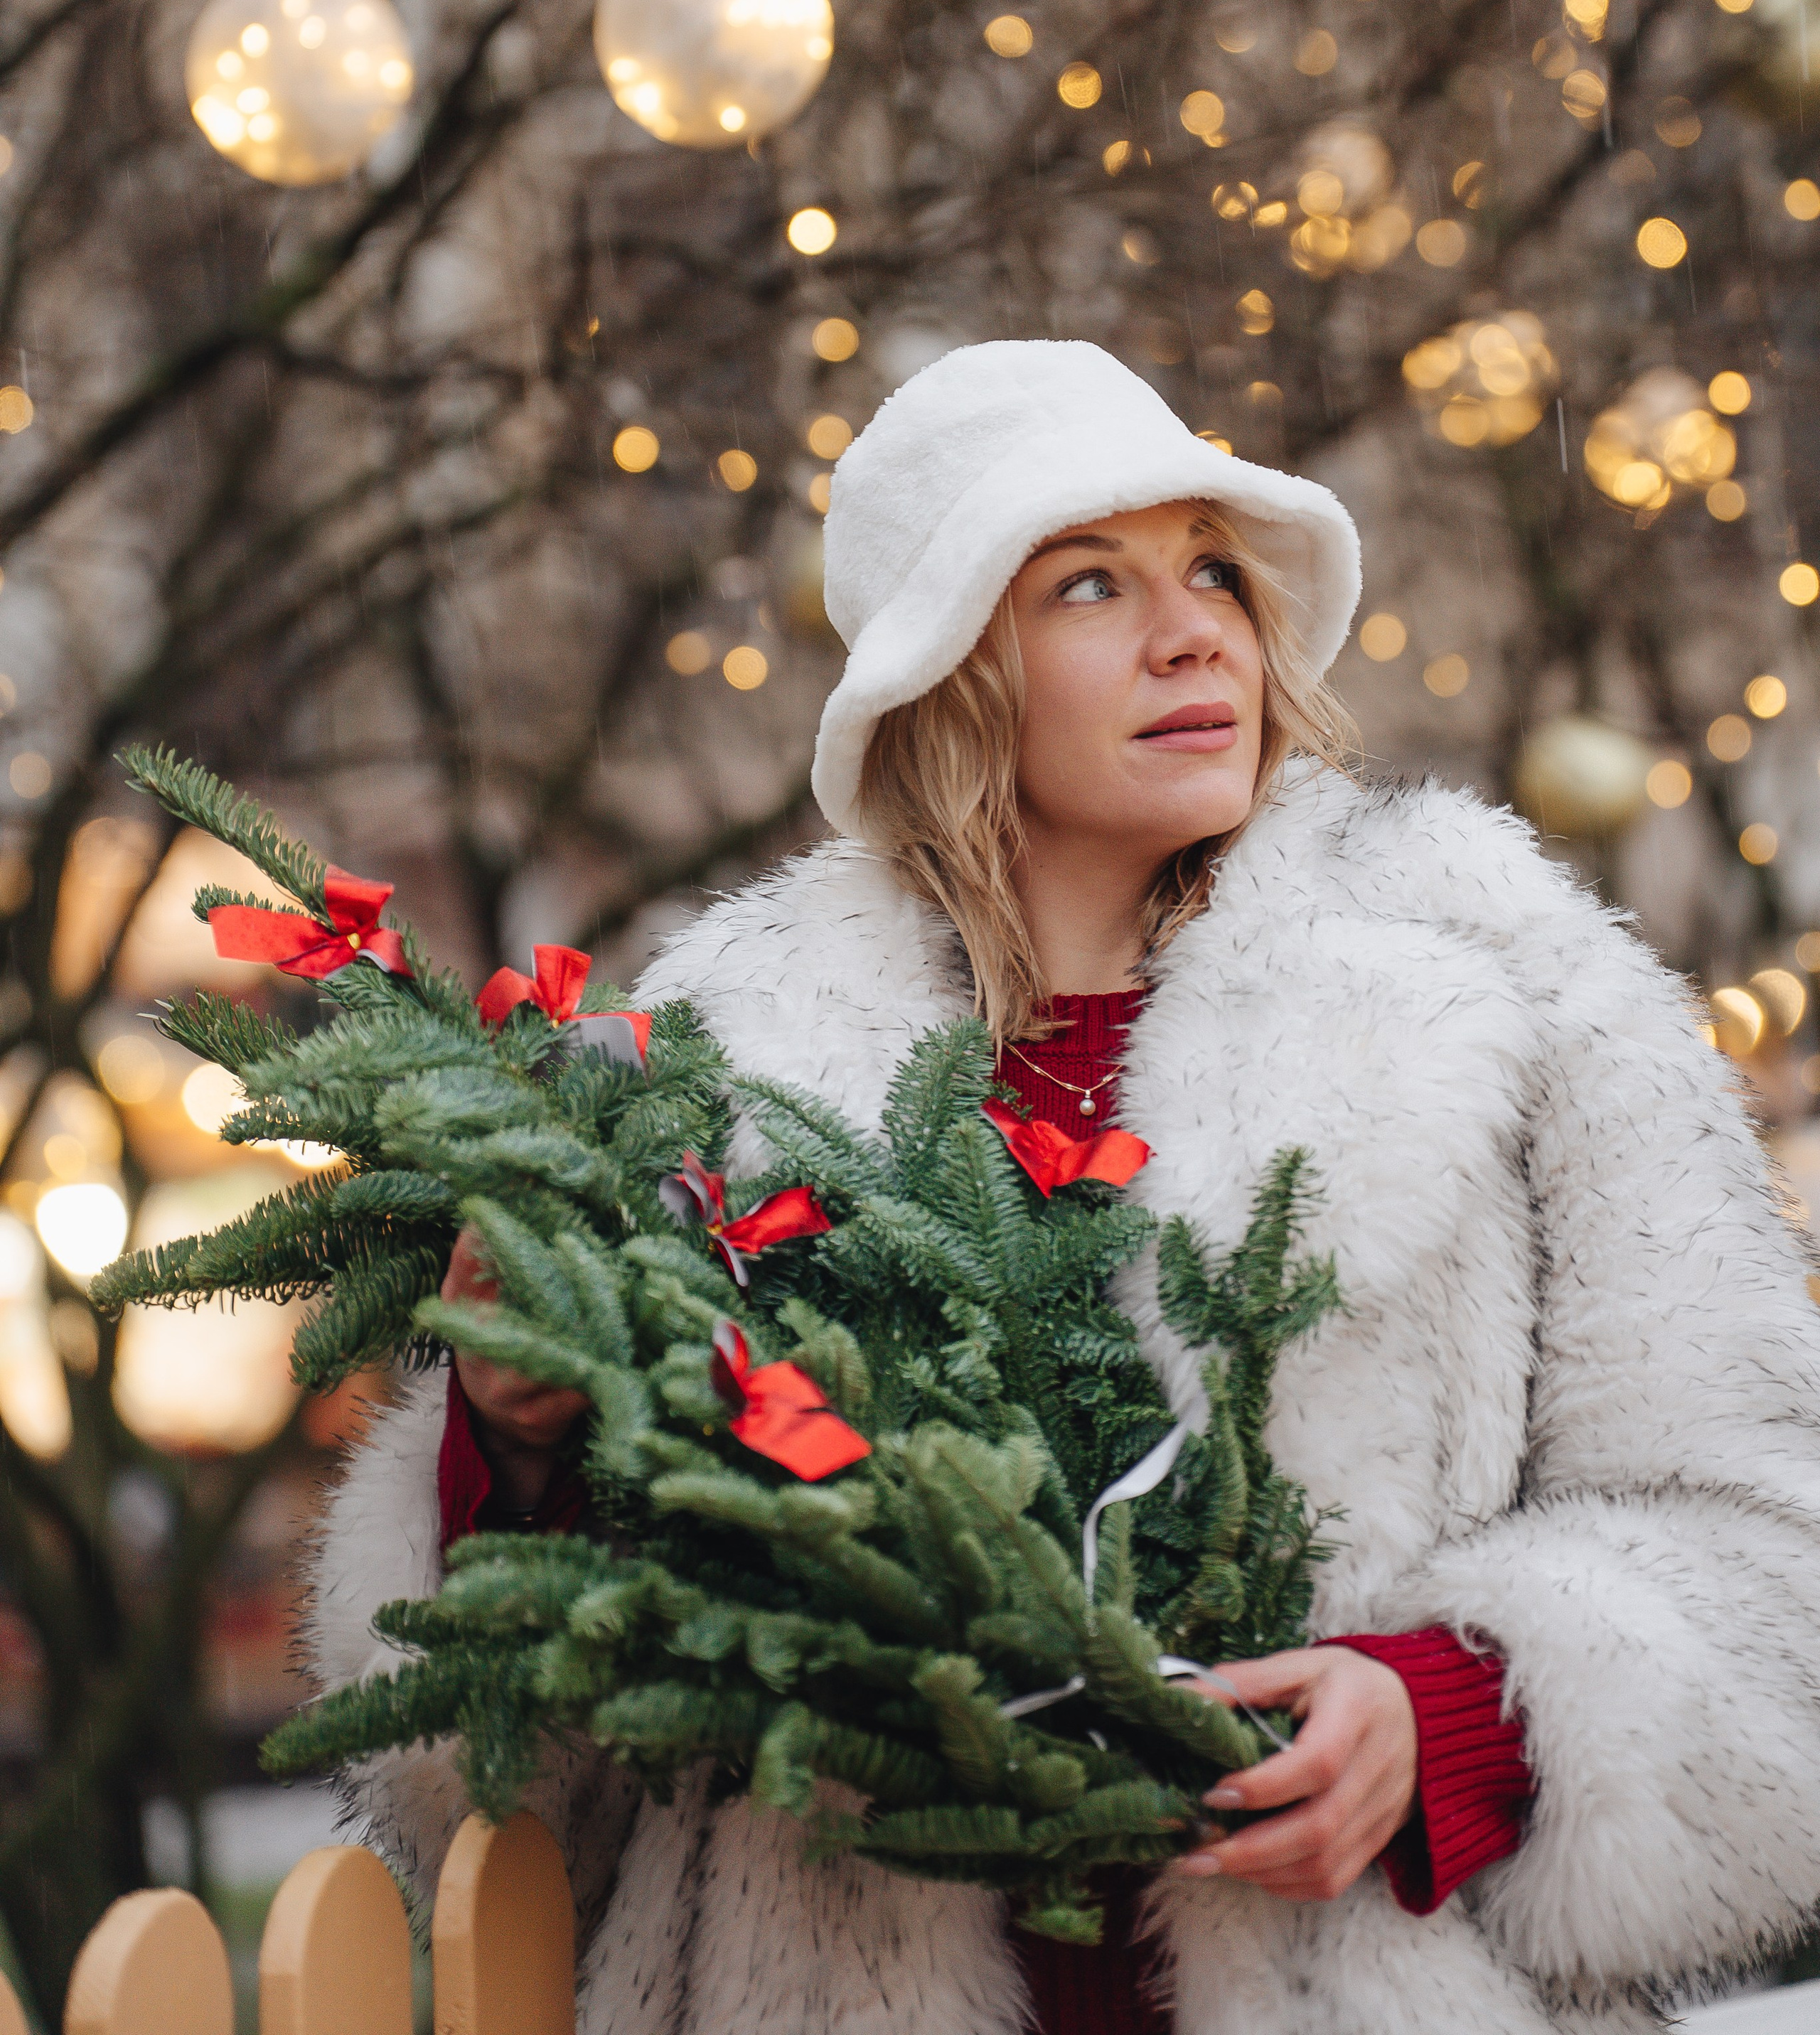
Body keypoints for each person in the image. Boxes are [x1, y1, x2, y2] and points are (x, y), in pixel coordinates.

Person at [310, 338, 1820, 2035]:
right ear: (947, 674)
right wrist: (514, 1447)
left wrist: (1448, 1715)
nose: (1190, 632)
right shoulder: (709, 1093)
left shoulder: (1514, 993)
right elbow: (518, 1785)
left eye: (1210, 574)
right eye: (1087, 583)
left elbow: (1768, 1552)